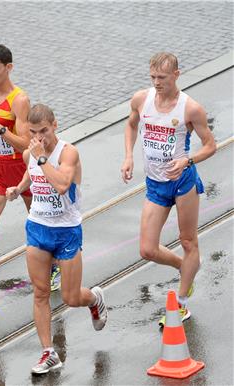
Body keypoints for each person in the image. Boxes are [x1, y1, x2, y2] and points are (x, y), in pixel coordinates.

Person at [6, 103, 108, 373]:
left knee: (70, 297)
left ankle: (94, 299)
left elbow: (62, 185)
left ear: (55, 125)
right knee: (40, 293)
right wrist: (18, 188)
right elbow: (31, 172)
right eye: (33, 133)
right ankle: (48, 352)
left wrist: (41, 157)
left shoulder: (68, 153)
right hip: (38, 227)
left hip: (66, 231)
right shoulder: (31, 152)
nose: (39, 138)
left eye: (43, 131)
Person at [0, 43, 60, 319]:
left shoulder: (19, 100)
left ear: (9, 68)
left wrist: (1, 131)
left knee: (41, 224)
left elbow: (24, 144)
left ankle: (54, 265)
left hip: (23, 171)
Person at [121, 52, 216, 327]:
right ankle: (183, 267)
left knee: (188, 242)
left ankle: (182, 303)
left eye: (162, 77)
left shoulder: (191, 108)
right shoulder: (142, 99)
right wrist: (128, 156)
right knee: (147, 249)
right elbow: (130, 125)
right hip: (155, 184)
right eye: (152, 77)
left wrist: (188, 159)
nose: (156, 82)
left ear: (176, 75)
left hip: (182, 182)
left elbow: (210, 145)